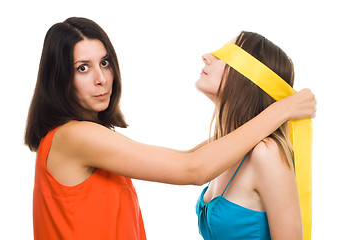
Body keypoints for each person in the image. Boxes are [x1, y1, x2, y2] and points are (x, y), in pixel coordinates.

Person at [25, 18, 316, 240]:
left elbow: (197, 154)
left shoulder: (263, 153)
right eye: (82, 68)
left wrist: (260, 116)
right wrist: (282, 110)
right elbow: (192, 167)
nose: (101, 78)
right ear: (59, 78)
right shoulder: (74, 137)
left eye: (104, 62)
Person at [195, 31, 310, 240]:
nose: (207, 56)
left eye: (226, 55)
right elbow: (184, 163)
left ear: (248, 78)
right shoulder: (224, 145)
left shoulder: (267, 153)